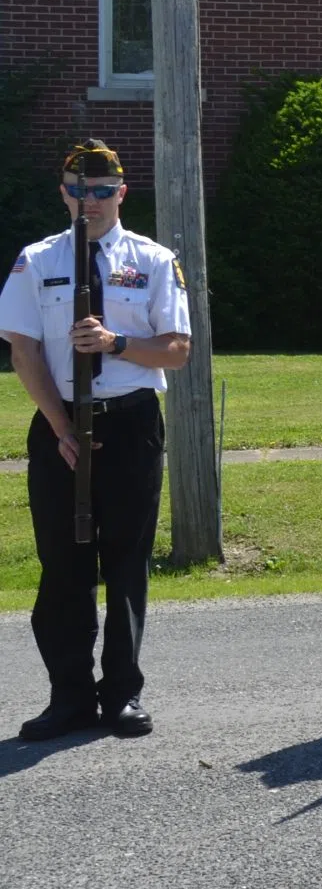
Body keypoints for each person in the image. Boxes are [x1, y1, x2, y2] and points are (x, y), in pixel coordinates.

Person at [1, 141, 193, 741]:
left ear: (121, 193)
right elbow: (24, 348)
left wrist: (113, 344)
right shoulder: (37, 261)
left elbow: (177, 350)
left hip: (130, 422)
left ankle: (123, 696)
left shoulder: (154, 260)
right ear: (63, 193)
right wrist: (60, 427)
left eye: (102, 190)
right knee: (63, 563)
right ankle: (70, 698)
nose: (90, 201)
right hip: (60, 423)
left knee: (127, 560)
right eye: (79, 190)